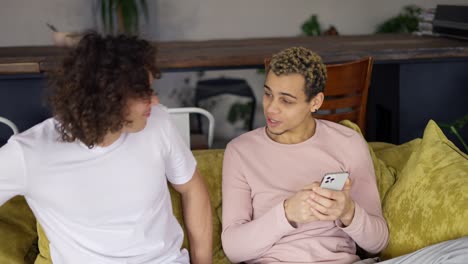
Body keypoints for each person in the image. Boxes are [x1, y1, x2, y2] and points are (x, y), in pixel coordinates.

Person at [0, 32, 212, 264]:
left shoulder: (158, 123)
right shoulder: (29, 154)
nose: (155, 101)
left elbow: (192, 188)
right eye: (144, 94)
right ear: (107, 100)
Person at [221, 46, 388, 263]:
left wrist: (348, 212)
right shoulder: (240, 151)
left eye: (286, 101)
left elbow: (378, 243)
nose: (271, 108)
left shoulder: (348, 143)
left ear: (315, 102)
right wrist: (287, 213)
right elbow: (234, 249)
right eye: (268, 94)